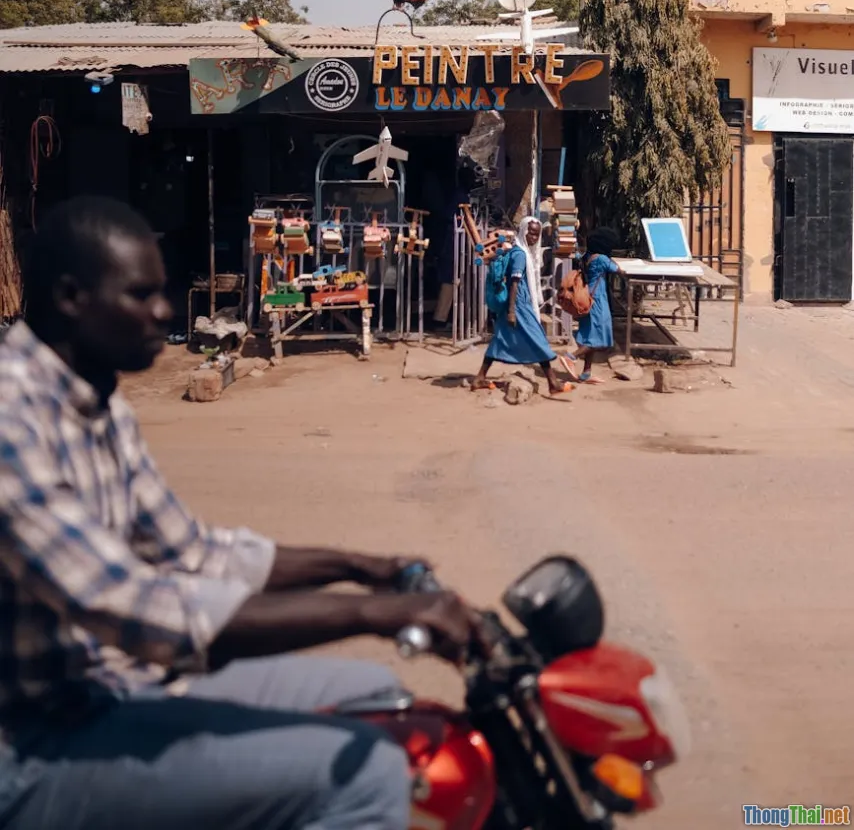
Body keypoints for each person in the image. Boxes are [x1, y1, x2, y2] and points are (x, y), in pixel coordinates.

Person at [0, 196, 478, 830]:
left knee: (378, 699)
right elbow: (145, 610)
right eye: (141, 295)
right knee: (371, 772)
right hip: (37, 744)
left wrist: (368, 569)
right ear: (70, 297)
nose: (165, 312)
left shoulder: (99, 402)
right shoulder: (12, 417)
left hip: (125, 687)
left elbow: (197, 555)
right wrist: (377, 613)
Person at [471, 215, 572, 397]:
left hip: (517, 302)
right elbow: (514, 283)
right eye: (531, 233)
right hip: (517, 303)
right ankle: (553, 382)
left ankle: (480, 377)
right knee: (538, 338)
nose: (533, 238)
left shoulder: (520, 251)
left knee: (500, 339)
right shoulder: (519, 254)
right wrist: (511, 311)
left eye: (536, 235)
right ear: (524, 231)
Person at [573, 227, 621, 384]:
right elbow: (617, 270)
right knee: (598, 338)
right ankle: (570, 357)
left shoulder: (586, 256)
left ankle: (586, 372)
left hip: (588, 299)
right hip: (598, 301)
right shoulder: (601, 259)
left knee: (590, 336)